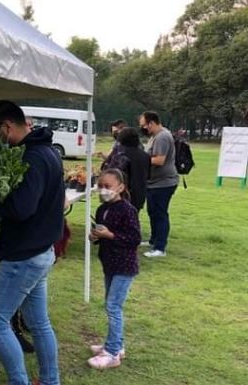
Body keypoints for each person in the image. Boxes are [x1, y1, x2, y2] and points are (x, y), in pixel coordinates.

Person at [0, 100, 64, 385]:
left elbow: (20, 209)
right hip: (41, 251)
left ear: (6, 127)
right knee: (39, 324)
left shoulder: (33, 157)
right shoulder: (49, 152)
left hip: (24, 256)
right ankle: (51, 380)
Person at [88, 169, 141, 369]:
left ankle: (111, 353)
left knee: (113, 307)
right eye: (100, 186)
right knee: (110, 304)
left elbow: (134, 238)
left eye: (108, 186)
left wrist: (110, 236)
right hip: (109, 263)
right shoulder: (102, 209)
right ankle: (117, 345)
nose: (103, 190)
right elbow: (102, 234)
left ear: (121, 187)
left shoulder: (128, 210)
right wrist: (95, 237)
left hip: (124, 266)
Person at [139, 111, 178, 258]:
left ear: (152, 123)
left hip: (164, 183)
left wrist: (140, 160)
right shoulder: (154, 136)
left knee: (160, 214)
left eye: (144, 125)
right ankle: (153, 240)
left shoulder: (162, 137)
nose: (143, 128)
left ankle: (160, 248)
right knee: (152, 212)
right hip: (153, 182)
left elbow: (159, 160)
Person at [105, 127, 150, 212]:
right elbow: (148, 175)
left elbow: (111, 172)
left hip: (123, 195)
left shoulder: (121, 155)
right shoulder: (145, 156)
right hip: (139, 194)